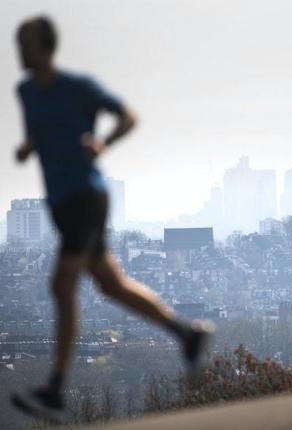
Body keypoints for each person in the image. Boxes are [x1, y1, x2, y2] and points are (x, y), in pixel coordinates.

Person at [11, 15, 214, 421]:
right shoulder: (26, 91)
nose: (19, 49)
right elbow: (36, 134)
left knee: (61, 283)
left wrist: (104, 141)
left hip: (88, 197)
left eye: (26, 42)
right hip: (61, 205)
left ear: (46, 48)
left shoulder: (79, 89)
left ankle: (55, 389)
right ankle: (187, 334)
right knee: (111, 286)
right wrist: (27, 148)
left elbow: (129, 117)